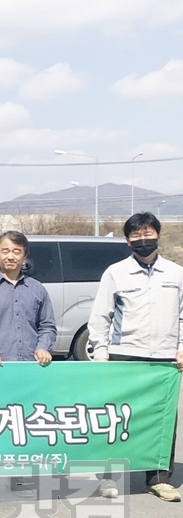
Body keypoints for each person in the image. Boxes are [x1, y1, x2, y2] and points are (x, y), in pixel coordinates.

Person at [88, 212, 183, 503]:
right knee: (116, 417)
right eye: (136, 235)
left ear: (158, 235)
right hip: (125, 355)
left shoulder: (176, 273)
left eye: (148, 233)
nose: (143, 240)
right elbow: (101, 316)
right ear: (128, 241)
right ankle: (108, 476)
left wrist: (181, 348)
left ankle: (159, 479)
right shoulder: (115, 272)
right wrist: (101, 353)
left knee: (162, 420)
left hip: (164, 360)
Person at [0, 230, 56, 499]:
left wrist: (43, 346)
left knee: (24, 422)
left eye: (17, 251)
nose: (11, 256)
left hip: (29, 369)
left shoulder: (37, 289)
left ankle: (21, 473)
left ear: (24, 255)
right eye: (5, 251)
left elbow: (48, 326)